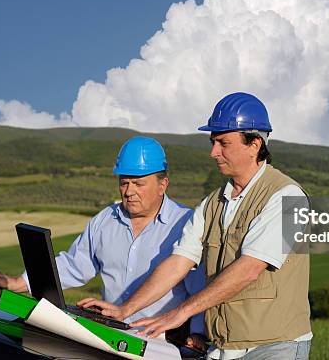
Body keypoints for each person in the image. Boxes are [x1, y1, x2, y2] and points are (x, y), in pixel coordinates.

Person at [78, 93, 312, 360]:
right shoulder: (212, 204)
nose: (213, 152)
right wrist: (125, 309)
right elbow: (179, 261)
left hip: (274, 347)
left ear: (255, 144)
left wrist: (181, 313)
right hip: (224, 347)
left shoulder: (288, 197)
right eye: (213, 142)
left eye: (223, 143)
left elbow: (248, 269)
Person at [0, 136, 207, 352]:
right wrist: (17, 283)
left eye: (138, 183)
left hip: (161, 343)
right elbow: (75, 265)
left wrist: (197, 334)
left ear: (163, 184)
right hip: (107, 337)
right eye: (124, 183)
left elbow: (200, 287)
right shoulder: (104, 220)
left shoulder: (185, 224)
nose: (129, 192)